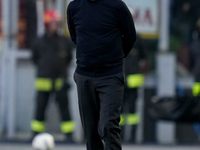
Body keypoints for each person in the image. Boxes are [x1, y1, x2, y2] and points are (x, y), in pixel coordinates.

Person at [67, 0, 136, 149]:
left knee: (108, 126)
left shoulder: (117, 6)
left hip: (110, 76)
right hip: (84, 75)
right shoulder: (74, 7)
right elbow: (75, 38)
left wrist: (113, 59)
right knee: (91, 133)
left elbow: (130, 36)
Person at [30, 10, 75, 142]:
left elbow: (69, 58)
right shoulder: (39, 41)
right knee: (40, 108)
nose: (54, 26)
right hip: (43, 82)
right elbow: (35, 59)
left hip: (60, 81)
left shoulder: (64, 41)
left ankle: (69, 135)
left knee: (64, 108)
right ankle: (36, 134)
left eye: (56, 23)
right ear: (47, 24)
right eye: (52, 23)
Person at [120, 35, 147, 143]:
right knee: (118, 111)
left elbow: (144, 58)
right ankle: (119, 135)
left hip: (132, 83)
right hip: (119, 81)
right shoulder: (115, 37)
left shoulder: (137, 39)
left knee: (132, 111)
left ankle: (132, 136)